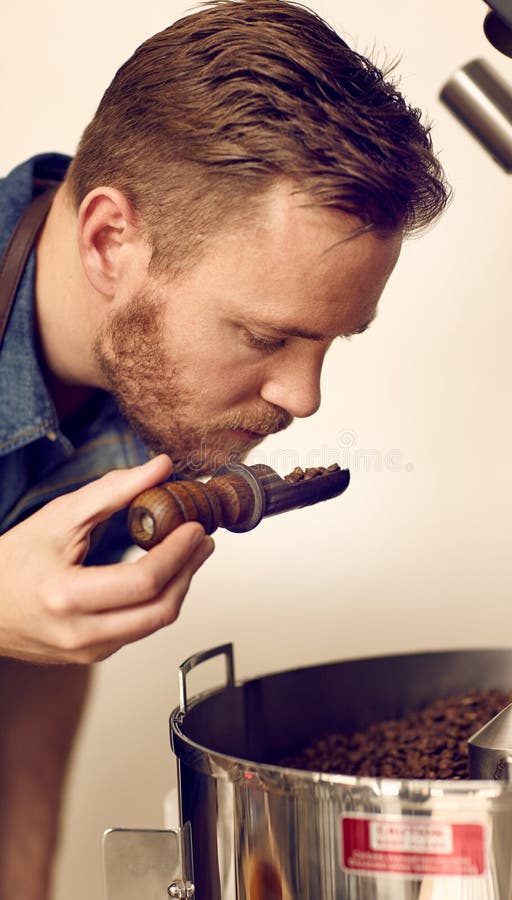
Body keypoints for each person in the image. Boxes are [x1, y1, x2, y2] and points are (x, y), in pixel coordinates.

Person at [0, 0, 448, 896]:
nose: (304, 397)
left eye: (332, 342)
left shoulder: (137, 385)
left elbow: (32, 663)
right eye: (261, 337)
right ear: (109, 240)